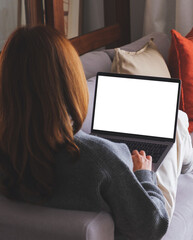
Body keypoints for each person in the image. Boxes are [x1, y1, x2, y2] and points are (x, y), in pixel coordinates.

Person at [0, 26, 172, 239]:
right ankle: (186, 157)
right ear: (70, 82)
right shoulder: (101, 158)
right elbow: (152, 226)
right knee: (177, 127)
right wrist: (144, 175)